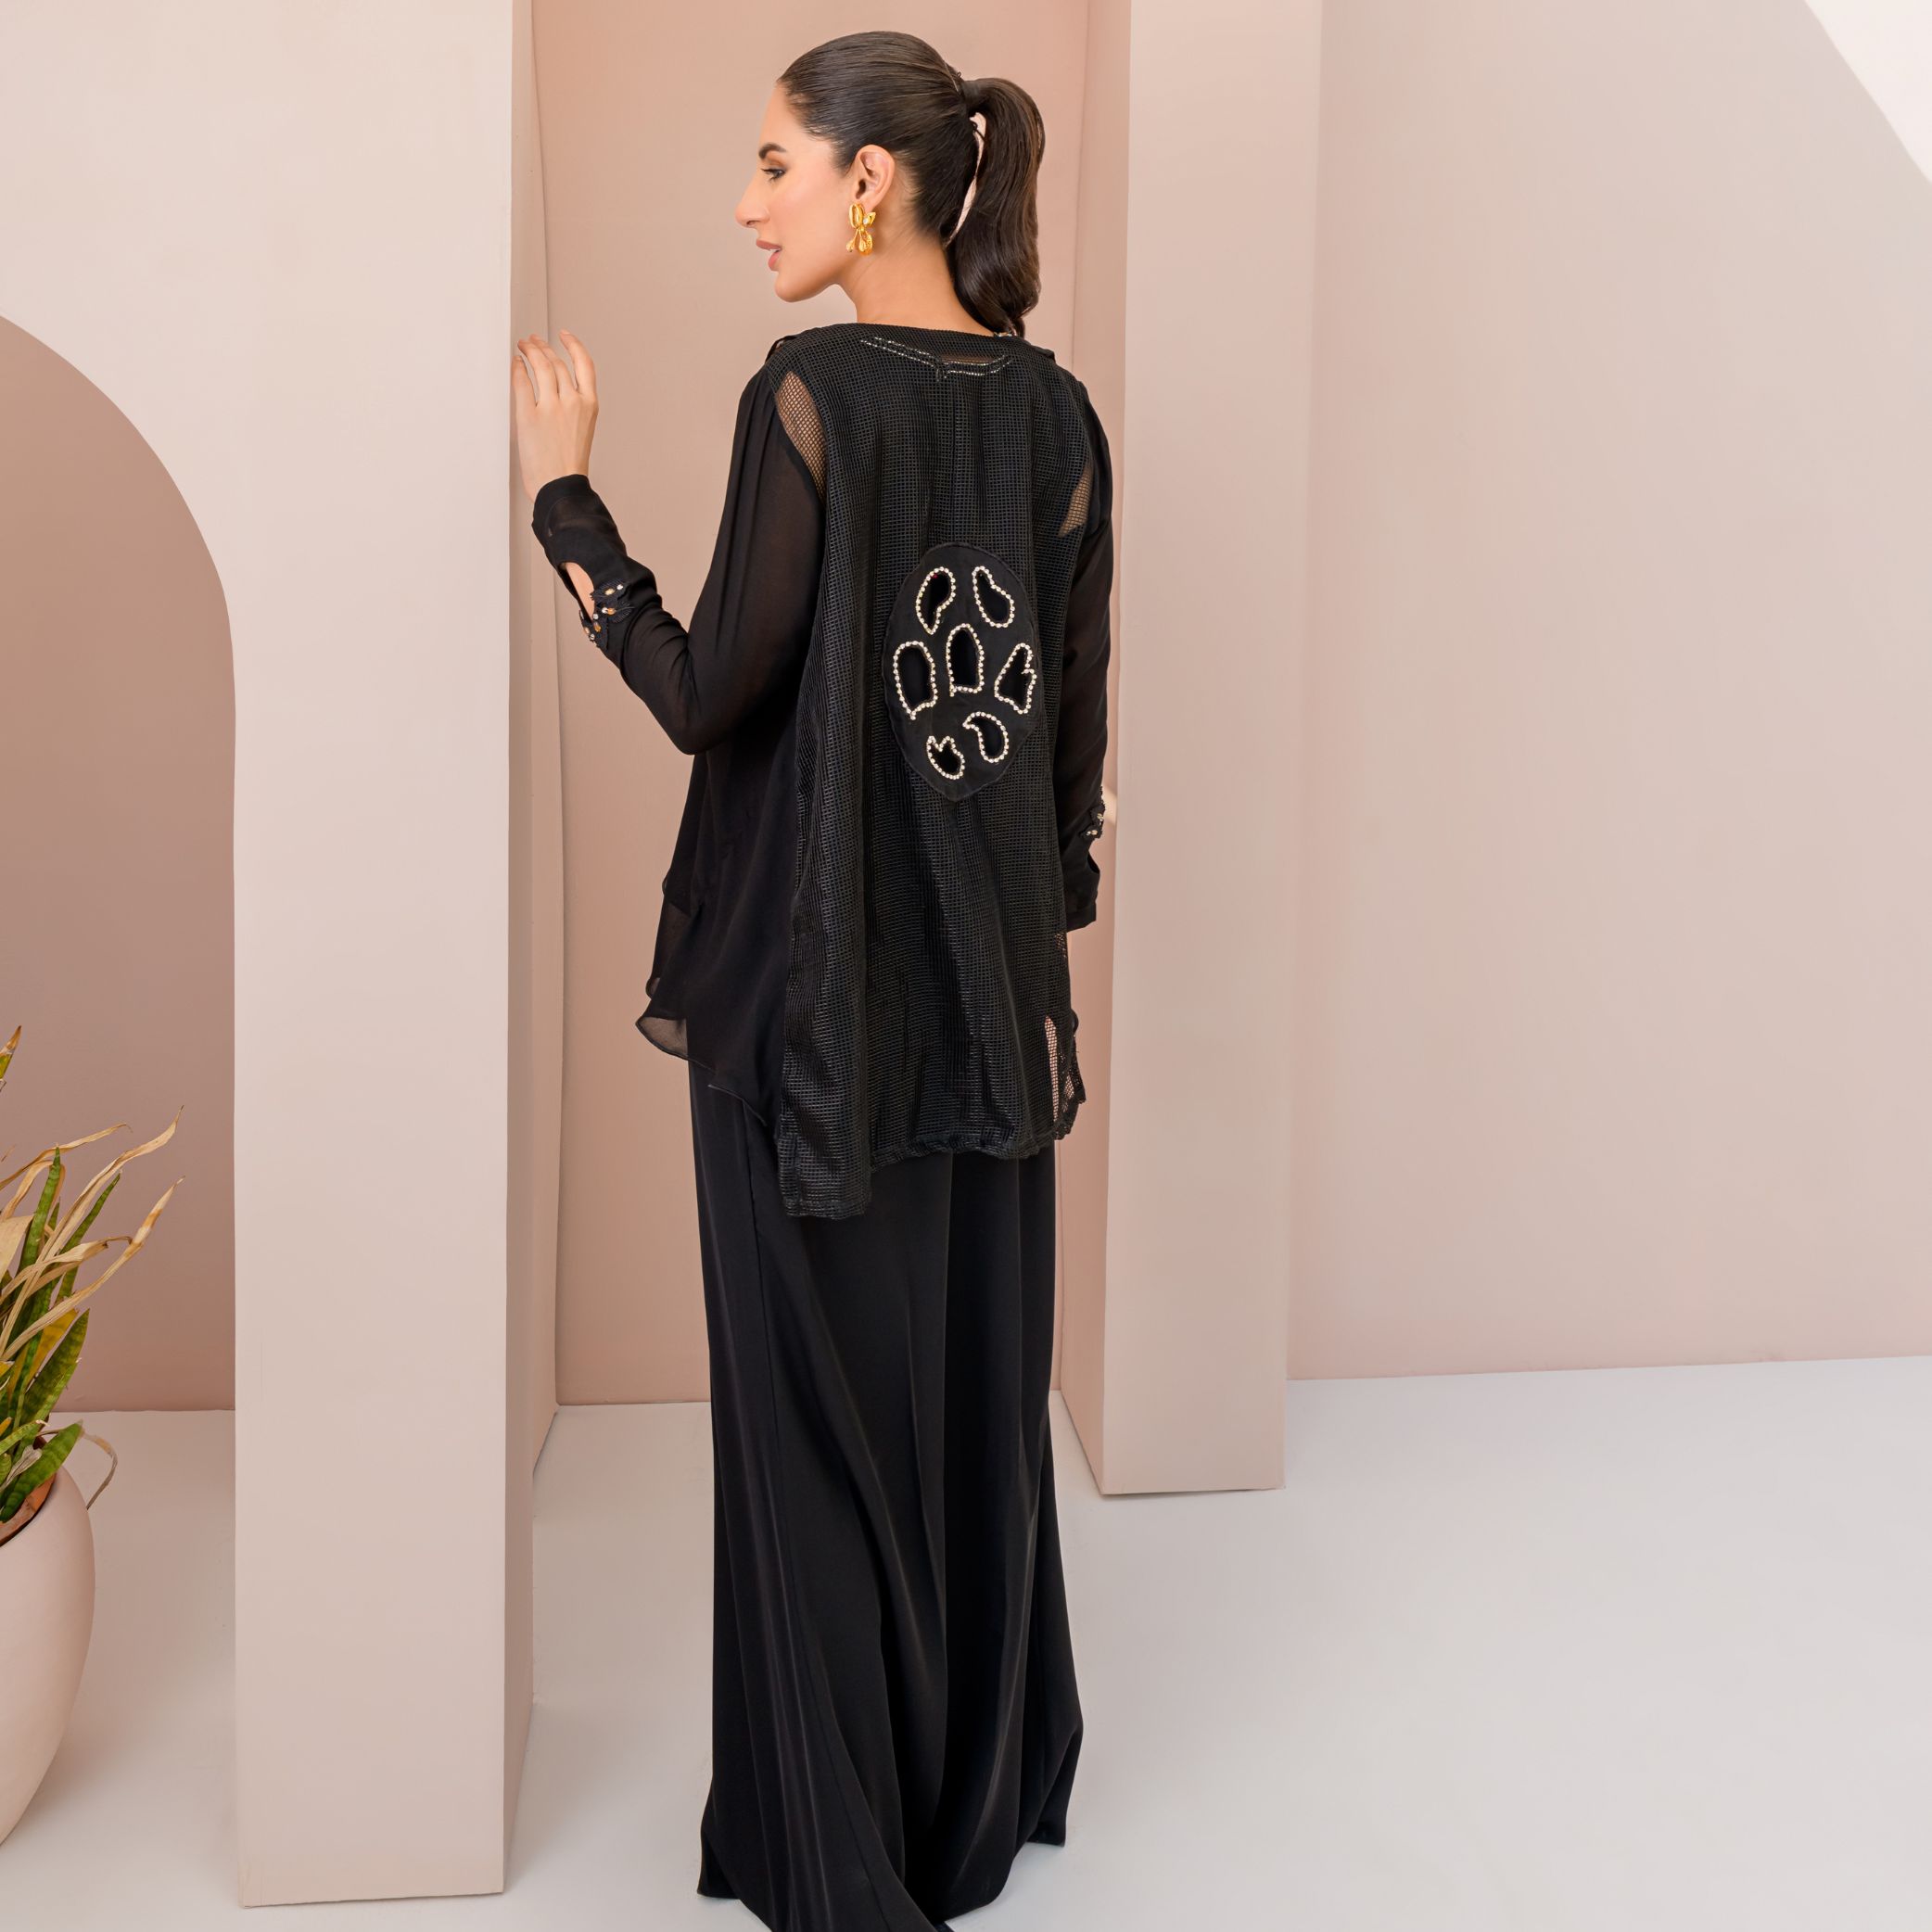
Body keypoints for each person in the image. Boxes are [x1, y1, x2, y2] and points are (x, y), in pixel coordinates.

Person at [511, 30, 1112, 1932]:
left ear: (872, 182)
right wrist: (993, 945)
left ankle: (836, 1845)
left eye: (775, 164)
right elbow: (1064, 775)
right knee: (969, 1406)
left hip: (817, 1007)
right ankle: (972, 1805)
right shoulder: (1060, 420)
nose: (746, 203)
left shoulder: (811, 399)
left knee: (811, 1423)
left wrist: (566, 509)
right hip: (986, 1018)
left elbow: (711, 695)